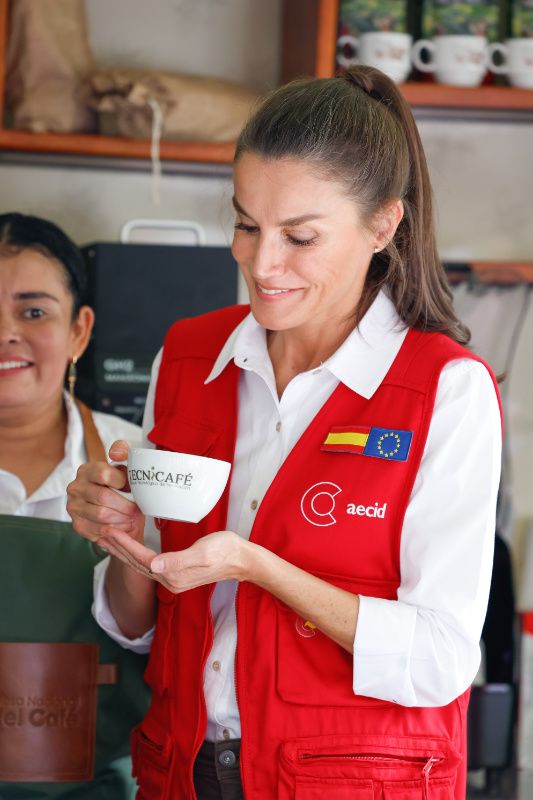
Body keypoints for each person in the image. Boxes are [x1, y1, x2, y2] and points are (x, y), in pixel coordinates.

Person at [67, 66, 502, 800]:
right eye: (245, 224)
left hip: (350, 781)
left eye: (299, 237)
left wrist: (257, 566)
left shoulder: (446, 390)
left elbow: (438, 658)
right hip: (182, 772)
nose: (260, 264)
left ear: (381, 225)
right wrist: (125, 539)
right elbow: (139, 627)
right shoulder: (189, 355)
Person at [0, 213, 150, 799]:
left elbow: (158, 632)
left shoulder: (138, 462)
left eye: (33, 311)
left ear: (79, 332)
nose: (6, 332)